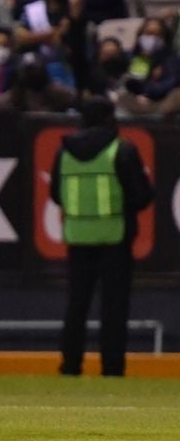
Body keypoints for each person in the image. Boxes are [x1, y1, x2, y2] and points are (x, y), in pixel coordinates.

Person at [50, 96, 153, 376]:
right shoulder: (122, 150)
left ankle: (70, 365)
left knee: (76, 305)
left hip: (77, 238)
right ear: (110, 119)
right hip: (115, 238)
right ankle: (112, 367)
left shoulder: (64, 151)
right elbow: (142, 195)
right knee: (114, 307)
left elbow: (56, 195)